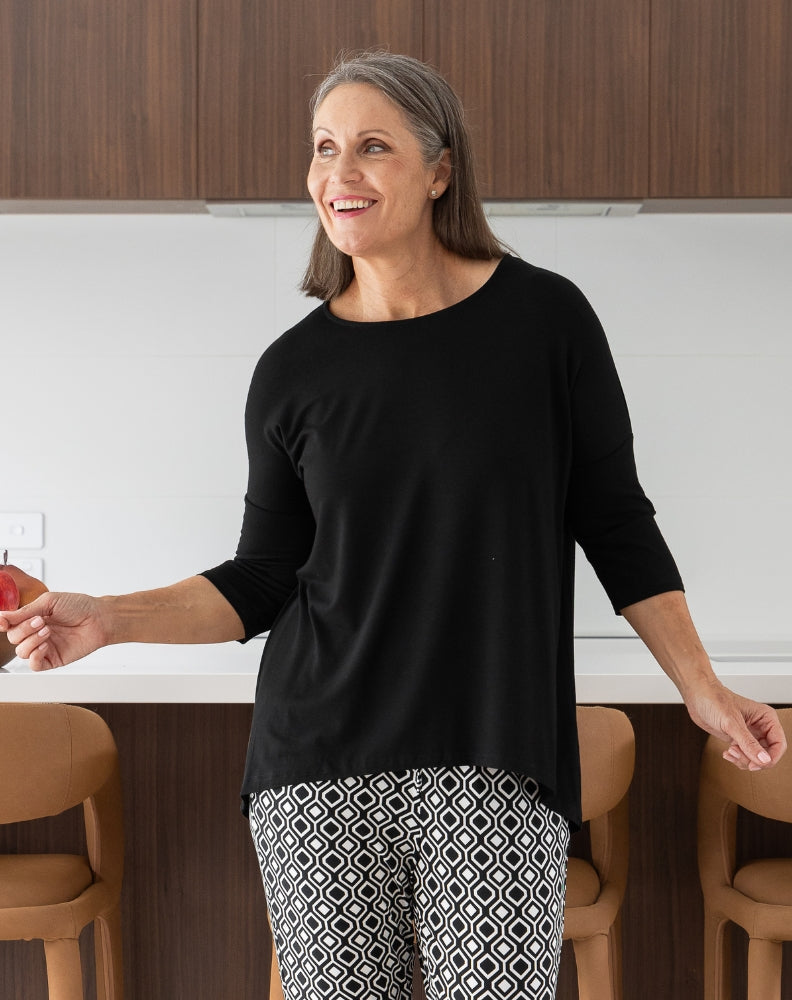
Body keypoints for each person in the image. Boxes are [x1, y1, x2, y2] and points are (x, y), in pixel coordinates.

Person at [0, 51, 786, 1000]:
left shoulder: (546, 322)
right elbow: (263, 578)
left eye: (373, 147)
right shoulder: (291, 372)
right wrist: (109, 617)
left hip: (493, 758)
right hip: (316, 766)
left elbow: (616, 522)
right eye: (324, 148)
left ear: (439, 169)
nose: (340, 173)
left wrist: (702, 689)